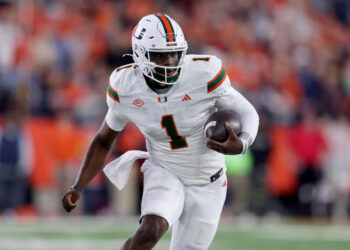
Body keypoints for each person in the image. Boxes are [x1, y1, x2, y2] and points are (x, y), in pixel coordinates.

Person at [62, 13, 259, 250]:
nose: (168, 61)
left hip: (209, 180)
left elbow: (248, 112)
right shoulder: (125, 86)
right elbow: (104, 139)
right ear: (140, 54)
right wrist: (78, 186)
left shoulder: (204, 73)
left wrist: (244, 142)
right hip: (165, 169)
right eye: (159, 55)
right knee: (150, 229)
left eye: (174, 53)